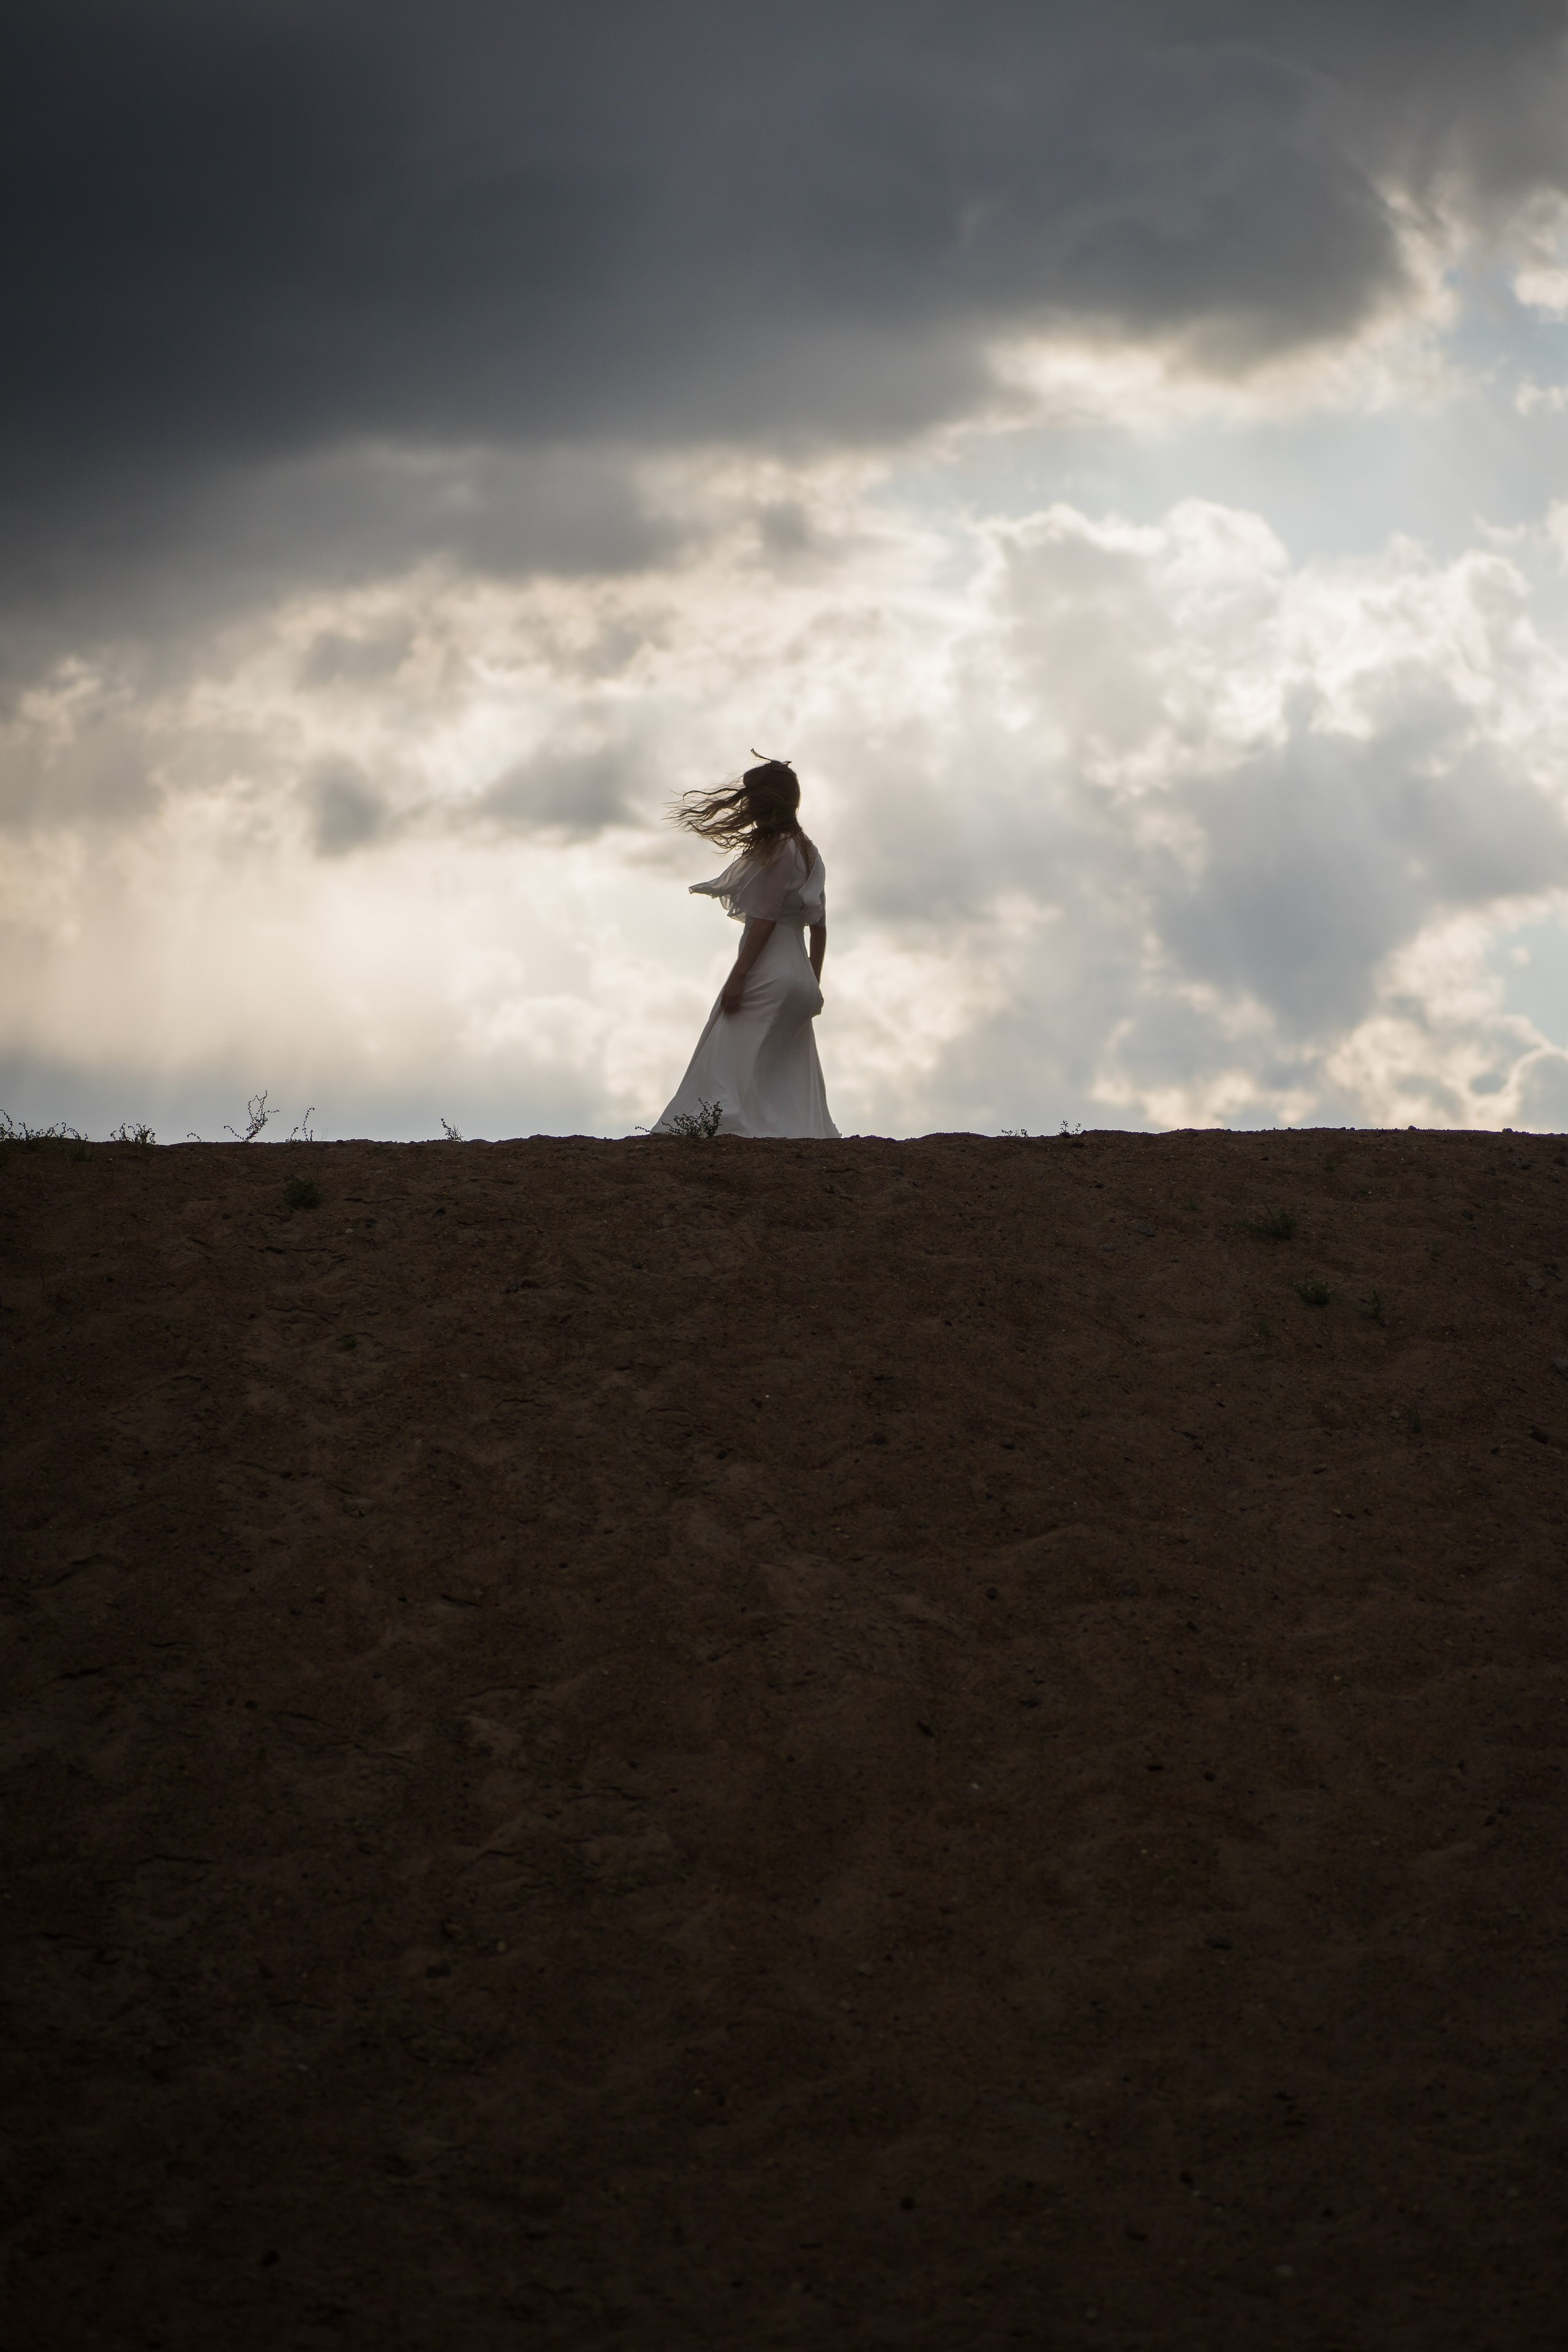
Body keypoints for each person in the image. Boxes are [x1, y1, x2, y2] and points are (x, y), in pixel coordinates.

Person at [650, 755, 840, 1139]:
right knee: (783, 1069)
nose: (747, 807)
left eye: (753, 799)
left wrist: (738, 978)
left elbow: (765, 921)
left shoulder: (781, 851)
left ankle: (712, 1131)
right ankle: (790, 1136)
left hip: (771, 971)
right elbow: (819, 927)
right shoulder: (809, 851)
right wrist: (813, 982)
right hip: (798, 975)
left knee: (724, 1058)